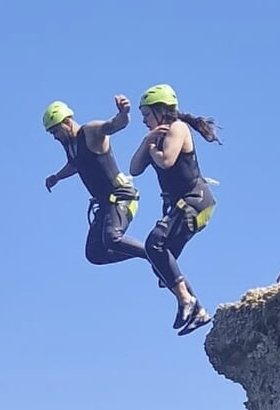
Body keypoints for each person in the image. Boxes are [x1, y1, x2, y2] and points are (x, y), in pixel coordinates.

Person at [129, 84, 219, 335]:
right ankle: (198, 310)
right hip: (181, 206)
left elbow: (166, 161)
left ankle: (186, 300)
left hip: (194, 201)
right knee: (161, 267)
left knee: (154, 243)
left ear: (160, 110)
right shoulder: (155, 137)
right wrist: (148, 140)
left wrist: (154, 150)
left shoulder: (178, 128)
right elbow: (134, 169)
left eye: (147, 115)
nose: (145, 121)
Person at [43, 96, 147, 268]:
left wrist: (123, 113)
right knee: (95, 253)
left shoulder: (90, 132)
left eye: (55, 131)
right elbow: (75, 164)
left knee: (112, 238)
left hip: (121, 196)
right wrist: (57, 177)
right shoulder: (69, 144)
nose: (55, 137)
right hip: (105, 204)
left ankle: (152, 252)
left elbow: (113, 125)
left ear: (67, 122)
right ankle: (149, 255)